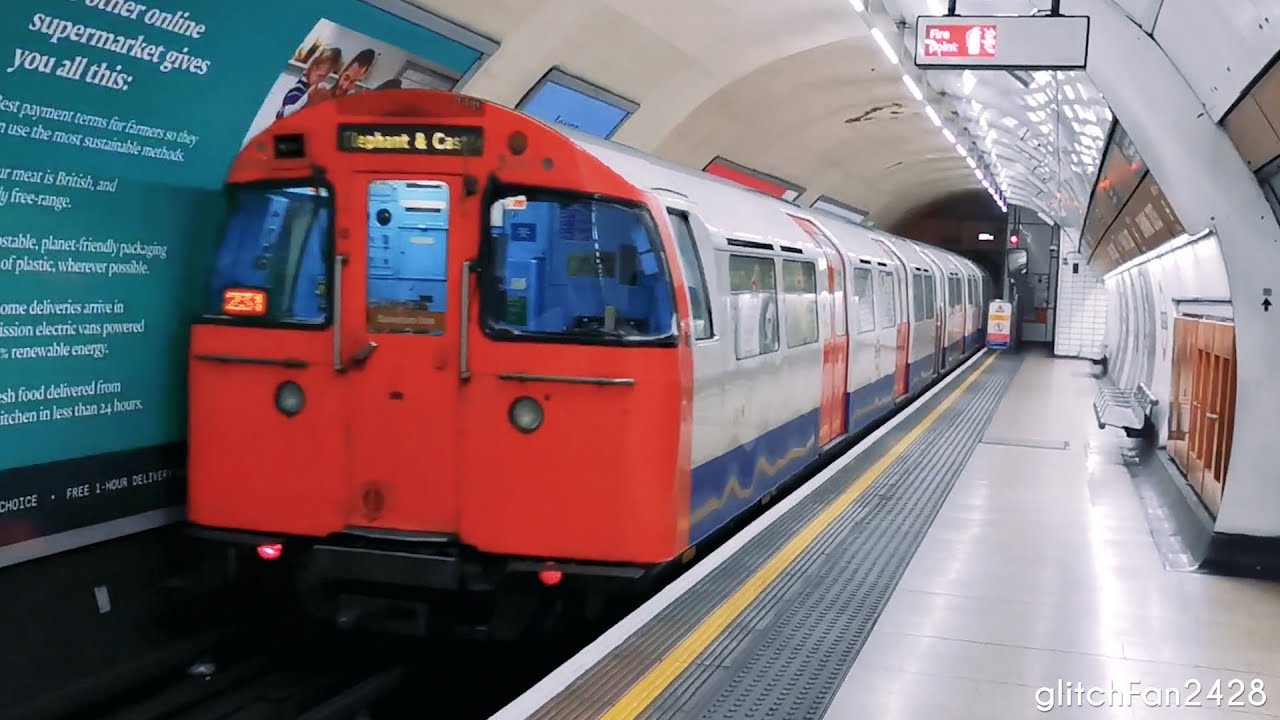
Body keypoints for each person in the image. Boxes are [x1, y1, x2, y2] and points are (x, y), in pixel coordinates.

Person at [276, 48, 341, 119]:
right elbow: (281, 115)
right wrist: (307, 97)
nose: (321, 80)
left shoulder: (313, 89)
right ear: (313, 68)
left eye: (324, 77)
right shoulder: (299, 89)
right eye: (320, 76)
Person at [309, 49, 377, 105]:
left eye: (352, 82)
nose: (345, 86)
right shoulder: (316, 93)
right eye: (346, 78)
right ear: (342, 72)